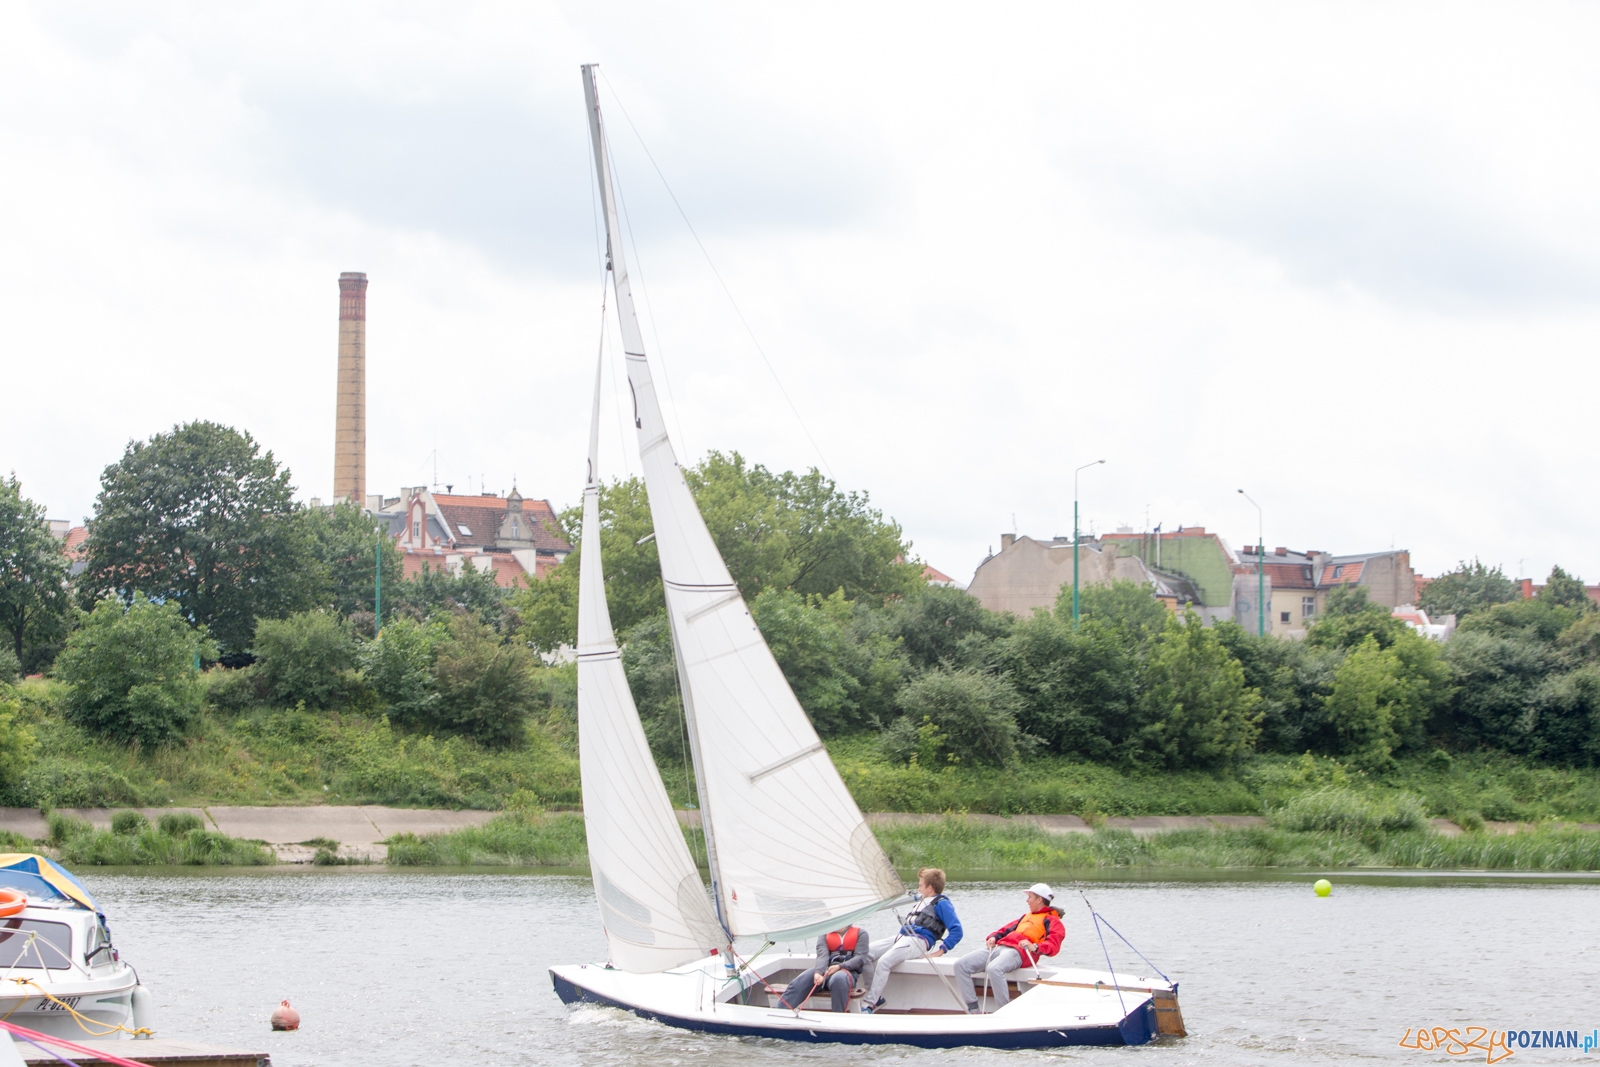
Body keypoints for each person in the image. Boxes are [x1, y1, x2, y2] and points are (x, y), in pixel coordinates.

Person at [860, 867, 963, 1013]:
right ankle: (877, 997)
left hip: (918, 941)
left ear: (930, 888)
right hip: (903, 937)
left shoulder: (942, 904)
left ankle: (869, 1004)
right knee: (864, 953)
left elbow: (957, 931)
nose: (918, 888)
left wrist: (940, 951)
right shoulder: (923, 900)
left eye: (920, 885)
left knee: (884, 962)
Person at [953, 883, 1064, 1014]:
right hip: (1000, 947)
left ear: (1039, 900)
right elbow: (1004, 930)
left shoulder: (1052, 921)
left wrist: (1034, 946)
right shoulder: (1025, 917)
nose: (1027, 900)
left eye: (1030, 897)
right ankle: (973, 1010)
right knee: (961, 965)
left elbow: (1054, 946)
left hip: (1019, 952)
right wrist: (993, 937)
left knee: (994, 969)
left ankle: (1004, 1012)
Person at [777, 924, 871, 1013]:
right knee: (804, 978)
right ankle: (780, 1012)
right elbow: (822, 956)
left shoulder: (861, 934)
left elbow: (860, 959)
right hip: (826, 971)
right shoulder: (824, 934)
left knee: (838, 979)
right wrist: (818, 972)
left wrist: (840, 966)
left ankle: (838, 1019)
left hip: (847, 973)